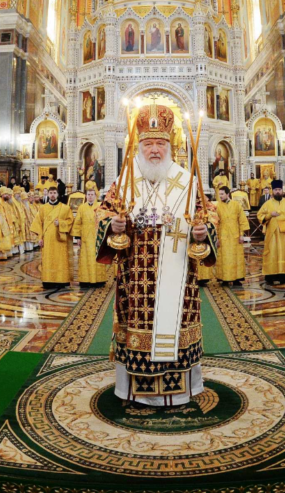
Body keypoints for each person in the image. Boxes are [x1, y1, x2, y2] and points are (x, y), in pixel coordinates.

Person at [98, 104, 216, 406]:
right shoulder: (123, 182)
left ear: (170, 145)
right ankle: (131, 390)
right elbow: (102, 216)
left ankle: (180, 391)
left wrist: (202, 233)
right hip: (134, 279)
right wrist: (113, 225)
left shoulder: (187, 181)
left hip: (178, 276)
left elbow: (209, 218)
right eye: (148, 143)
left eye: (160, 143)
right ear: (138, 146)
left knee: (175, 328)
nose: (154, 150)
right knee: (136, 326)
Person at [258, 180, 285, 285]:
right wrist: (269, 215)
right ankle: (271, 277)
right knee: (272, 254)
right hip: (272, 235)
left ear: (282, 191)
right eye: (276, 190)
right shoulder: (267, 204)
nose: (278, 192)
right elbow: (260, 216)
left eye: (279, 190)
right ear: (273, 191)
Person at [32, 185, 73, 290]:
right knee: (48, 260)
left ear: (57, 194)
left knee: (60, 260)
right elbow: (38, 224)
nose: (53, 195)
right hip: (48, 240)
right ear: (48, 194)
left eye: (54, 193)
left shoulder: (65, 208)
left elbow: (70, 222)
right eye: (51, 193)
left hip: (60, 239)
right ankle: (48, 280)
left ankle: (61, 280)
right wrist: (40, 238)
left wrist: (61, 223)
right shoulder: (43, 208)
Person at [72, 182, 106, 287]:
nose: (90, 196)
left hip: (97, 237)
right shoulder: (82, 207)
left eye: (92, 194)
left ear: (95, 195)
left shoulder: (101, 206)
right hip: (85, 237)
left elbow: (105, 221)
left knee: (97, 259)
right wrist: (78, 237)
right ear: (86, 196)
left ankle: (98, 280)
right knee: (85, 259)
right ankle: (85, 280)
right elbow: (77, 222)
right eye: (88, 194)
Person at [215, 186, 250, 285]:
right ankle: (224, 278)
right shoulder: (217, 206)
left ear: (227, 194)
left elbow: (242, 220)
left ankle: (236, 278)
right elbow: (215, 222)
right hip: (223, 235)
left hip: (235, 235)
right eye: (219, 194)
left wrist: (241, 235)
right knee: (224, 257)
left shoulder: (236, 205)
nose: (220, 196)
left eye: (222, 194)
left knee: (236, 257)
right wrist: (217, 238)